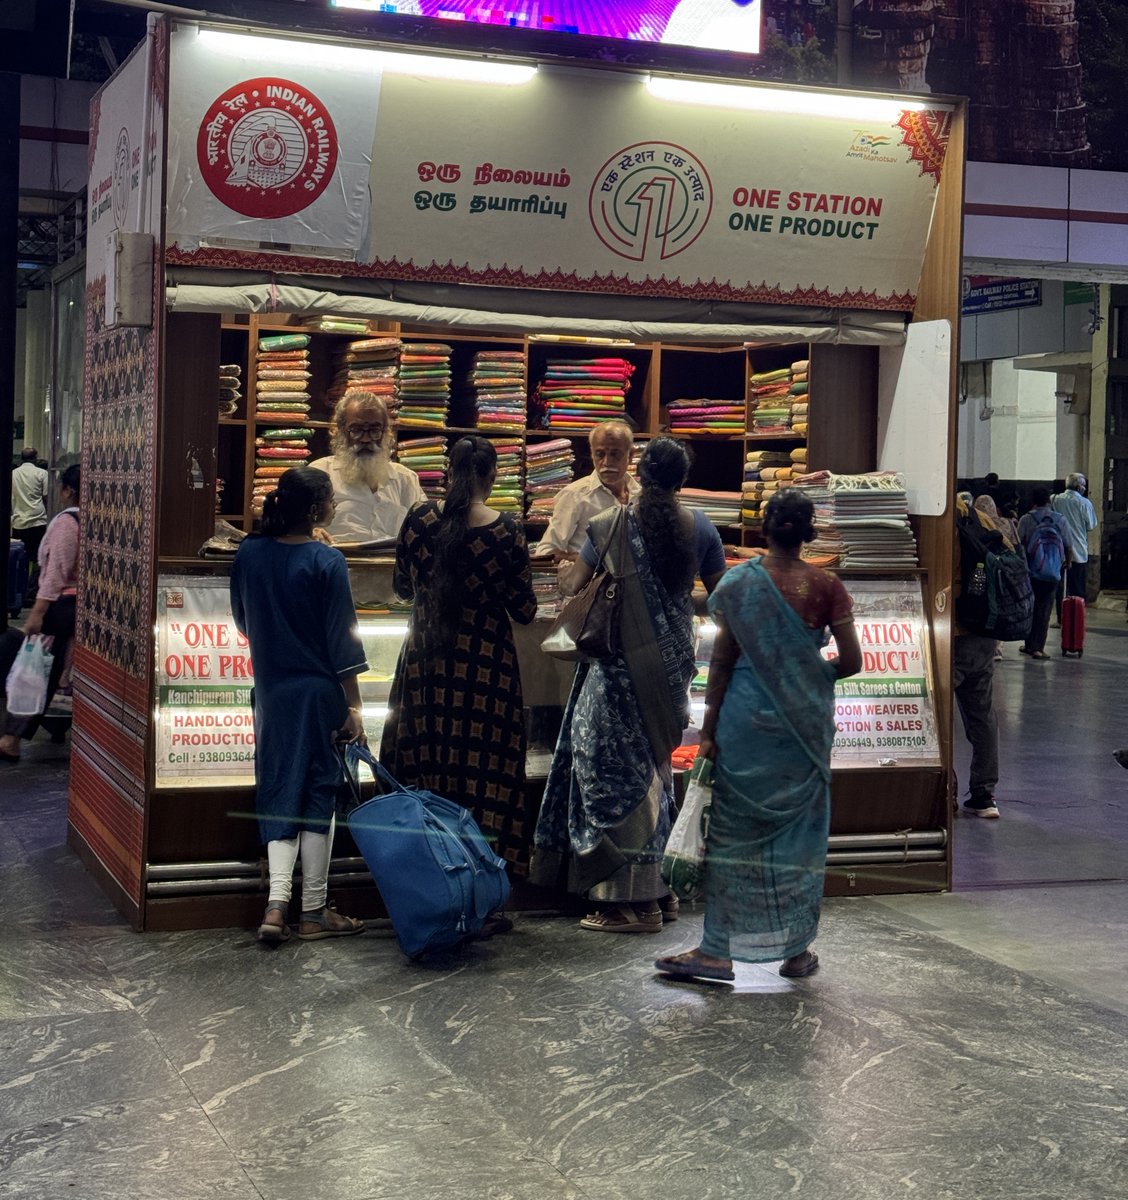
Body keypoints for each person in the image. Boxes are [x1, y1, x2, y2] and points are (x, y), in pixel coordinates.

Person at [653, 490, 861, 983]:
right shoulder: (827, 586)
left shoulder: (740, 583)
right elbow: (850, 662)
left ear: (764, 529)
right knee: (799, 841)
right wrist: (806, 674)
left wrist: (707, 734)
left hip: (745, 723)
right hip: (804, 730)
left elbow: (721, 662)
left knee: (733, 834)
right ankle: (795, 952)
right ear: (808, 532)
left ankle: (717, 952)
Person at [530, 436, 726, 933]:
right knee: (655, 769)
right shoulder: (701, 526)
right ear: (681, 480)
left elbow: (575, 586)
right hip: (674, 663)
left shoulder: (611, 524)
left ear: (640, 470)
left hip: (618, 669)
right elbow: (723, 596)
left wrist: (571, 568)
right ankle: (660, 894)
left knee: (610, 772)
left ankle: (623, 903)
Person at [381, 436, 537, 913]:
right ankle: (484, 897)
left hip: (428, 670)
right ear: (492, 476)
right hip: (486, 674)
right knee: (485, 778)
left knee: (429, 774)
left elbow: (402, 587)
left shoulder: (419, 520)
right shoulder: (507, 531)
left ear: (447, 473)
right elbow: (525, 609)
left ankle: (430, 890)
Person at [230, 466, 367, 944]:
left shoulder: (249, 553)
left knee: (278, 786)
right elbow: (343, 646)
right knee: (318, 795)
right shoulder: (327, 562)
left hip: (271, 693)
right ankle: (311, 913)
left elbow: (243, 621)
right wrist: (355, 708)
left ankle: (275, 907)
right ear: (315, 510)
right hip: (319, 694)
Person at [1, 464, 81, 764]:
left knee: (33, 673)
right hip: (80, 611)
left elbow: (55, 573)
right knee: (62, 673)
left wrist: (37, 612)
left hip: (61, 608)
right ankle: (56, 728)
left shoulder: (66, 523)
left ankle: (11, 738)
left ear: (67, 491)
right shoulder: (100, 519)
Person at [309, 389, 424, 544]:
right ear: (341, 431)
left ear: (385, 432)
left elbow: (424, 527)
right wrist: (310, 531)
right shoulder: (319, 473)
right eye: (356, 430)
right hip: (339, 564)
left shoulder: (406, 479)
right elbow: (292, 526)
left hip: (392, 566)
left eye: (374, 430)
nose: (365, 438)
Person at [953, 492, 1008, 818]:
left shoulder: (942, 524)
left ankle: (943, 795)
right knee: (983, 717)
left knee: (938, 719)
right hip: (985, 633)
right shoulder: (985, 520)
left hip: (954, 633)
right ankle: (984, 796)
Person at [531, 419, 639, 562]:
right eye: (600, 454)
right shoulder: (575, 495)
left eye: (615, 454)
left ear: (630, 456)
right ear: (592, 454)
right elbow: (546, 552)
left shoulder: (641, 495)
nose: (606, 462)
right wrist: (587, 561)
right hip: (588, 583)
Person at [1016, 486, 1068, 661]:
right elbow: (1068, 545)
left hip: (1030, 571)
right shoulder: (1060, 519)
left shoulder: (1026, 519)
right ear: (1049, 501)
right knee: (1045, 609)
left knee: (1030, 607)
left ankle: (1029, 644)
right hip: (1052, 572)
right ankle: (1038, 648)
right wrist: (1066, 563)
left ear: (1033, 502)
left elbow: (1018, 544)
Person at [1052, 472, 1097, 605]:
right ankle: (1077, 618)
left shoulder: (1054, 499)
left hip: (1058, 551)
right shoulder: (1084, 503)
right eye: (1083, 485)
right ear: (1079, 487)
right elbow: (1091, 525)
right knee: (1077, 588)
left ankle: (1061, 618)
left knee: (1060, 588)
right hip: (1078, 551)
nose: (1084, 488)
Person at [10, 447, 49, 594]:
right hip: (38, 520)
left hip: (18, 521)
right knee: (38, 558)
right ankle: (31, 591)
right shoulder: (42, 473)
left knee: (21, 558)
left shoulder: (13, 474)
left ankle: (19, 589)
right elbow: (46, 497)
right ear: (35, 458)